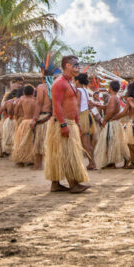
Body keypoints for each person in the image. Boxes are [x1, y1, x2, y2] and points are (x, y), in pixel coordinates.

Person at [44, 56, 90, 193]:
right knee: (67, 153)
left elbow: (74, 105)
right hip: (61, 122)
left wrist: (77, 123)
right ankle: (73, 184)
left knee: (62, 153)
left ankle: (55, 184)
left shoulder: (70, 83)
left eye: (79, 65)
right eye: (75, 65)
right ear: (67, 66)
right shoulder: (59, 83)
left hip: (70, 122)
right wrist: (63, 125)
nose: (78, 67)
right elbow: (56, 105)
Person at [95, 80, 128, 169]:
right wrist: (96, 105)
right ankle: (112, 161)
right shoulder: (115, 97)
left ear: (110, 88)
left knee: (110, 142)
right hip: (114, 123)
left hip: (111, 123)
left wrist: (104, 120)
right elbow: (108, 107)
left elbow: (111, 110)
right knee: (112, 142)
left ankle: (112, 162)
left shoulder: (113, 97)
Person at [74, 73, 97, 170]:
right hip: (87, 116)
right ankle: (92, 162)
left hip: (81, 116)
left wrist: (76, 118)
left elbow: (78, 105)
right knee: (86, 142)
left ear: (77, 81)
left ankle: (91, 163)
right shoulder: (85, 90)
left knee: (84, 143)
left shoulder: (78, 90)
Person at [11, 85, 38, 166]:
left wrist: (17, 117)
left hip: (24, 122)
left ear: (24, 92)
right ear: (33, 92)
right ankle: (31, 159)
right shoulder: (35, 100)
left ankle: (21, 160)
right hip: (33, 122)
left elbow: (15, 111)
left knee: (21, 141)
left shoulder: (22, 99)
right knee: (31, 141)